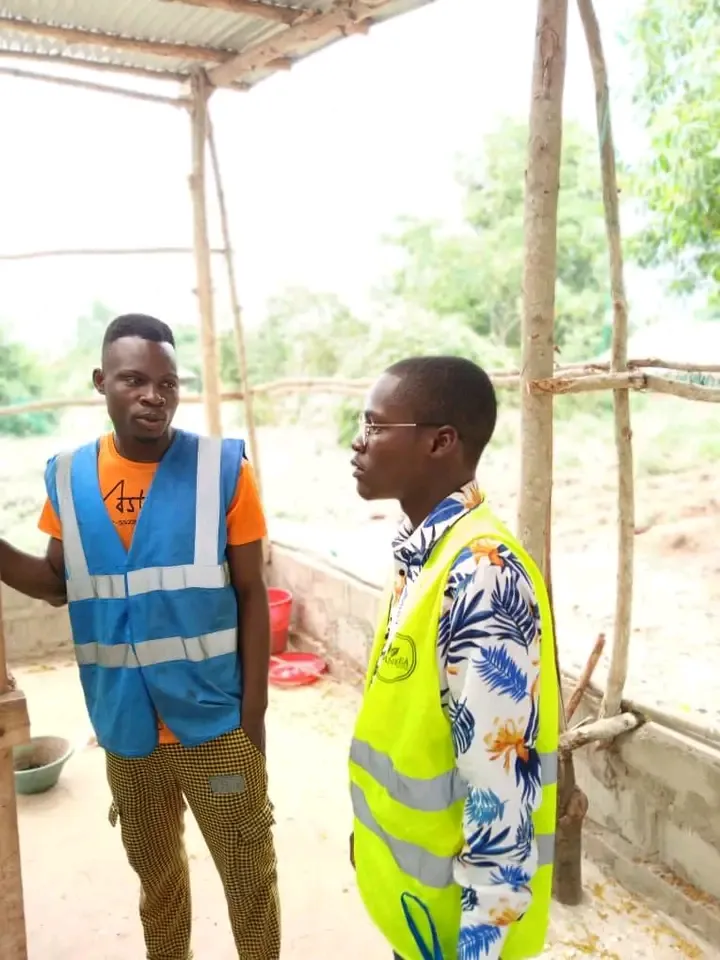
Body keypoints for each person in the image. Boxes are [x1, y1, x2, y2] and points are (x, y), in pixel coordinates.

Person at [0, 314, 279, 960]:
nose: (154, 396)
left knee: (250, 881)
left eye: (168, 384)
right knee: (158, 886)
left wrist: (253, 717)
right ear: (102, 382)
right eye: (134, 380)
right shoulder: (68, 477)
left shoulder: (221, 470)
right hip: (126, 732)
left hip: (214, 724)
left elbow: (251, 593)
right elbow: (56, 583)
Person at [348, 356, 558, 960]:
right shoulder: (424, 554)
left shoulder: (483, 574)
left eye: (376, 426)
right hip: (417, 913)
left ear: (441, 442)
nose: (359, 443)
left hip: (455, 934)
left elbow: (501, 794)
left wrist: (479, 946)